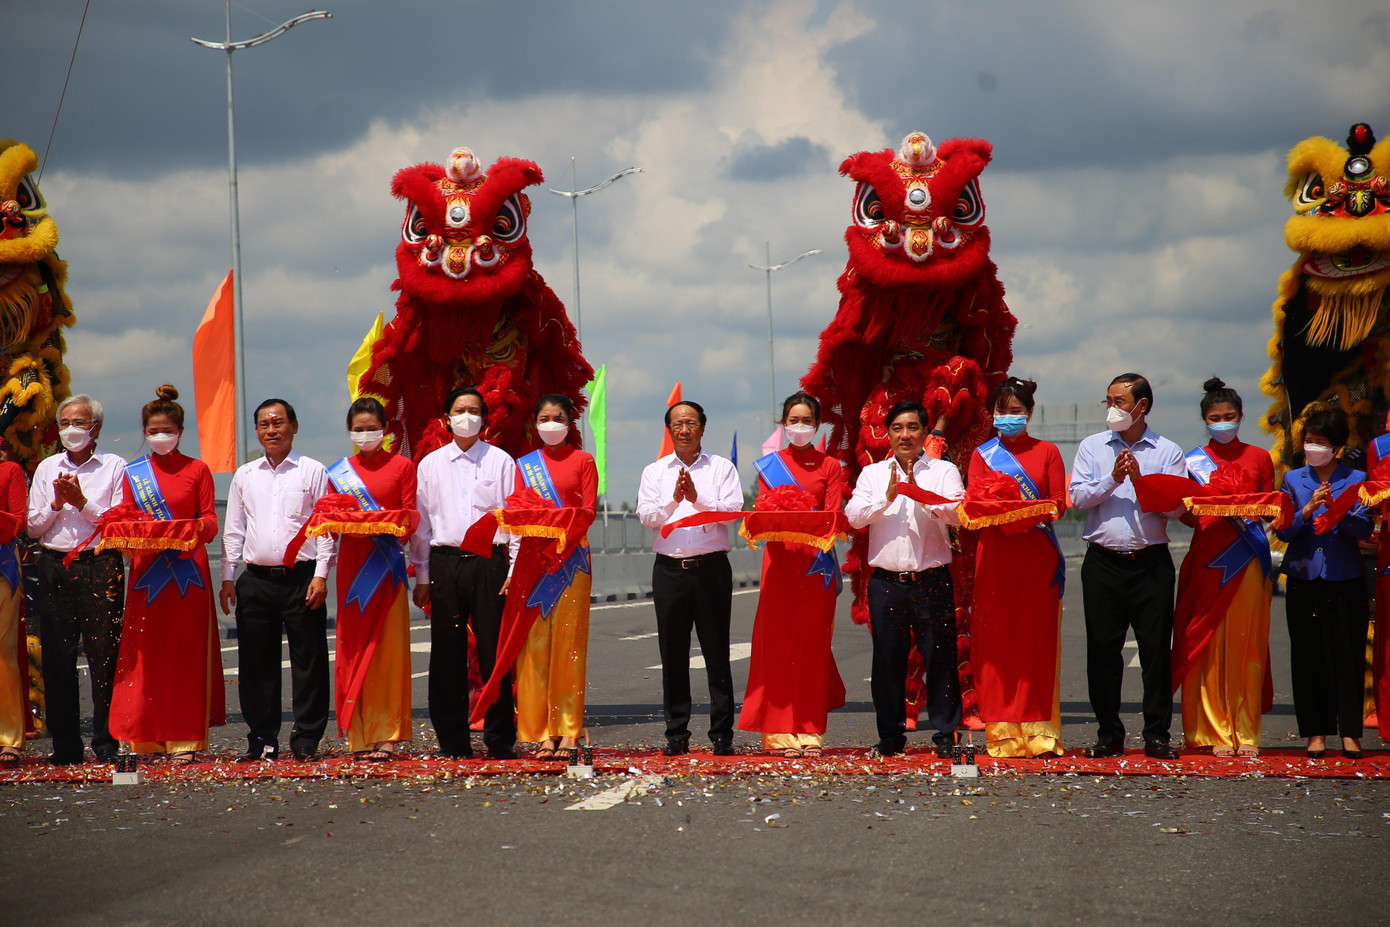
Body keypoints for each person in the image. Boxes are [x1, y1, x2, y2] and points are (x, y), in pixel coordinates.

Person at [1070, 373, 1186, 760]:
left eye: (1120, 401)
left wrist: (1141, 481)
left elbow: (1177, 506)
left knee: (1156, 651)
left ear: (1142, 406)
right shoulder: (1092, 447)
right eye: (1108, 401)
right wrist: (1112, 478)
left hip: (1151, 562)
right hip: (1103, 562)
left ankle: (1157, 734)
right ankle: (1109, 733)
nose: (1112, 409)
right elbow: (1078, 498)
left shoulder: (1167, 451)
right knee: (1103, 650)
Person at [108, 385, 224, 764]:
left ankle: (184, 737)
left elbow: (210, 521)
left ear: (180, 431)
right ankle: (147, 736)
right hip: (146, 573)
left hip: (188, 572)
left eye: (167, 430)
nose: (160, 437)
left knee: (186, 655)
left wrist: (184, 532)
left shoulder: (197, 469)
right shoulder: (133, 473)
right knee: (147, 654)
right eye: (154, 431)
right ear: (145, 431)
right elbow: (125, 517)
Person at [845, 400, 964, 757]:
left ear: (926, 433)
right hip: (887, 582)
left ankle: (946, 734)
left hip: (932, 578)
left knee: (941, 658)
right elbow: (854, 517)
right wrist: (888, 498)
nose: (905, 435)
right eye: (897, 428)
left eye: (912, 427)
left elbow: (958, 513)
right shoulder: (874, 474)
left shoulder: (943, 470)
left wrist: (921, 495)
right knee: (887, 661)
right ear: (888, 434)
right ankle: (890, 736)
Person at [219, 398, 332, 762]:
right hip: (255, 581)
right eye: (265, 424)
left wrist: (321, 575)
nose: (272, 430)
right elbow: (233, 529)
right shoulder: (245, 475)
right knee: (256, 665)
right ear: (256, 431)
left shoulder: (313, 471)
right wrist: (227, 576)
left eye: (279, 423)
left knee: (309, 662)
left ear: (293, 426)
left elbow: (326, 529)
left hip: (302, 579)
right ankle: (263, 739)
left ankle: (306, 739)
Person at [411, 386, 521, 760]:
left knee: (494, 652)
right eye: (460, 410)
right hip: (445, 563)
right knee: (447, 654)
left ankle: (499, 737)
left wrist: (514, 567)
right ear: (446, 418)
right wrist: (422, 577)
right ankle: (453, 740)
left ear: (485, 419)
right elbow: (422, 526)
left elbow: (515, 520)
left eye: (475, 410)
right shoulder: (429, 464)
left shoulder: (501, 462)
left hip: (489, 564)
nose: (467, 416)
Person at [738, 392, 846, 758]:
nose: (799, 427)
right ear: (783, 424)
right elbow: (767, 513)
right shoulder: (770, 465)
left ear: (817, 425)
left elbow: (831, 517)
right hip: (781, 565)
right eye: (793, 421)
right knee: (778, 645)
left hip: (816, 566)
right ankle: (779, 729)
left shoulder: (830, 466)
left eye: (806, 421)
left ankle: (810, 728)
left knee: (812, 646)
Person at [1173, 378, 1276, 758]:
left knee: (1247, 646)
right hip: (1207, 562)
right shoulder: (1193, 461)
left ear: (1241, 417)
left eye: (1229, 417)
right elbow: (1186, 515)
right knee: (1209, 648)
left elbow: (1270, 508)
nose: (1223, 423)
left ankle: (1245, 731)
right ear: (1205, 420)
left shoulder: (1259, 458)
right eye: (1215, 418)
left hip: (1247, 560)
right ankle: (1212, 730)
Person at [966, 377, 1068, 758]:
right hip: (994, 558)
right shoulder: (982, 454)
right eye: (1001, 411)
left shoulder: (1048, 452)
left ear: (1029, 413)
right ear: (992, 414)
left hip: (1036, 557)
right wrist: (1004, 513)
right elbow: (974, 506)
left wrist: (1022, 514)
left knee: (1036, 644)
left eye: (1016, 411)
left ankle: (1040, 731)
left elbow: (1058, 503)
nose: (1008, 417)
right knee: (997, 645)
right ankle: (1003, 732)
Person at [636, 400, 743, 757]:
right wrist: (673, 501)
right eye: (678, 424)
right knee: (673, 653)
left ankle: (721, 734)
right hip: (670, 570)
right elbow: (647, 517)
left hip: (711, 568)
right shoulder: (655, 471)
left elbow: (731, 514)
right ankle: (676, 733)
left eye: (691, 423)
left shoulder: (722, 468)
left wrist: (697, 499)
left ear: (702, 428)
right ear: (669, 429)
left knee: (716, 652)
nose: (685, 429)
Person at [26, 394, 126, 765]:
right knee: (57, 655)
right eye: (65, 422)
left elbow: (117, 523)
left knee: (104, 654)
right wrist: (55, 503)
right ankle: (65, 746)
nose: (71, 429)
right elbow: (34, 527)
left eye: (79, 423)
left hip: (100, 565)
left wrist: (81, 501)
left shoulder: (115, 466)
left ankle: (105, 742)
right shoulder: (48, 467)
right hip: (54, 565)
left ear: (96, 427)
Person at [1275, 407, 1372, 759]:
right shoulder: (1293, 479)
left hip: (1345, 576)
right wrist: (1306, 511)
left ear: (1337, 446)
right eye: (1309, 441)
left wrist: (1337, 510)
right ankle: (1316, 732)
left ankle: (1350, 732)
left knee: (1347, 655)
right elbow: (1283, 529)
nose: (1313, 447)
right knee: (1307, 655)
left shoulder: (1357, 478)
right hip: (1303, 575)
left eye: (1321, 442)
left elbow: (1363, 529)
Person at [328, 397, 417, 761]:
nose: (365, 434)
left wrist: (389, 525)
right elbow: (328, 520)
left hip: (386, 568)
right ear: (350, 431)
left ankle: (388, 734)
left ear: (385, 430)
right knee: (353, 648)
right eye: (359, 429)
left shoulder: (402, 466)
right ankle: (359, 734)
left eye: (371, 428)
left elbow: (411, 515)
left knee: (389, 651)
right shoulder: (339, 471)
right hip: (352, 570)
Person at [511, 394, 597, 759]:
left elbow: (588, 511)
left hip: (572, 561)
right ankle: (543, 731)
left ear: (570, 422)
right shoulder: (525, 465)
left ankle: (569, 731)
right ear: (535, 423)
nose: (551, 423)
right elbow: (517, 513)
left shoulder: (583, 460)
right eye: (544, 417)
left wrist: (560, 544)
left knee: (569, 648)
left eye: (557, 417)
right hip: (534, 563)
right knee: (535, 649)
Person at [0, 449, 27, 767]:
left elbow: (19, 521)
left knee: (2, 651)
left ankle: (8, 737)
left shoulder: (9, 471)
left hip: (2, 564)